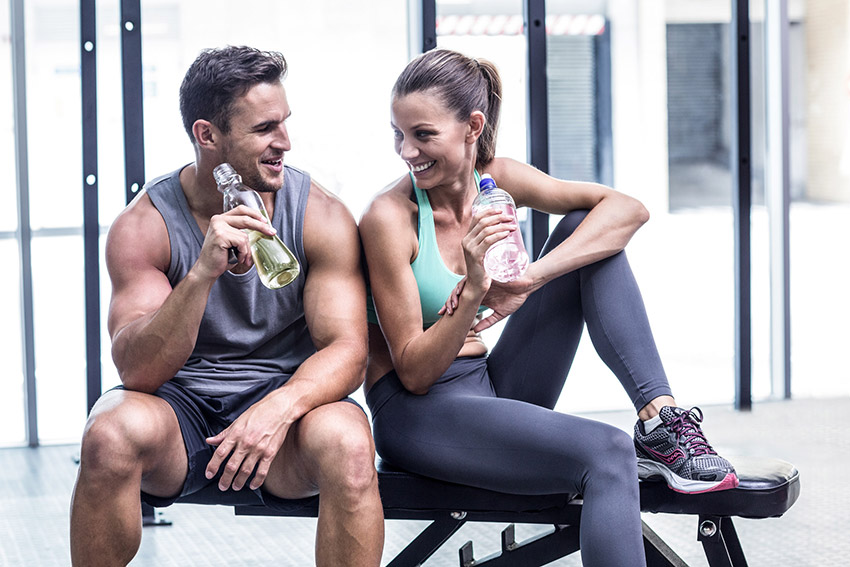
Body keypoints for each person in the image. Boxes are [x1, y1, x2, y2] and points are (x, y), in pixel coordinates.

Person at [358, 48, 737, 567]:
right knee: (605, 452)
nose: (407, 151)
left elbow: (629, 210)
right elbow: (415, 373)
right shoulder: (389, 217)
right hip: (419, 414)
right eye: (398, 134)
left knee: (588, 231)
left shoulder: (497, 178)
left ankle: (660, 419)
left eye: (423, 135)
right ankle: (642, 440)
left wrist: (528, 279)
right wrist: (474, 289)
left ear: (472, 126)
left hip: (490, 386)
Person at [70, 46, 383, 567]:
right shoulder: (145, 225)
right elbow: (138, 371)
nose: (285, 142)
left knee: (350, 444)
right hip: (181, 413)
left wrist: (277, 410)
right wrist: (201, 274)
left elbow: (348, 350)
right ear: (207, 135)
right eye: (265, 129)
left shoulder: (321, 215)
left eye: (284, 124)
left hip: (287, 416)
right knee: (107, 435)